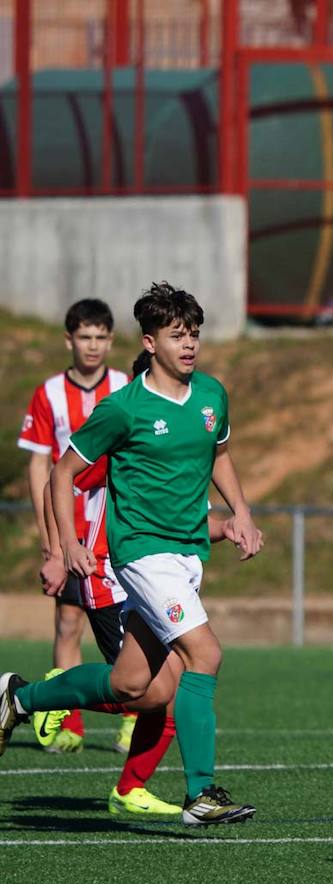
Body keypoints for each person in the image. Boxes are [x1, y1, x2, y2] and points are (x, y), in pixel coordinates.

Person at [0, 282, 263, 827]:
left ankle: (19, 699)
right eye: (176, 335)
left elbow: (220, 454)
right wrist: (68, 543)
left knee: (139, 686)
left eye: (194, 334)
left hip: (187, 557)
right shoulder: (123, 409)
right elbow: (62, 470)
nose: (188, 345)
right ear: (149, 341)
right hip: (143, 556)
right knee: (205, 655)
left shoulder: (212, 395)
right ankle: (201, 794)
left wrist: (240, 511)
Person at [16, 298, 135, 754]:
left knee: (132, 623)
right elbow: (39, 469)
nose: (92, 346)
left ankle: (132, 715)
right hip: (70, 531)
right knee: (68, 624)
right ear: (69, 340)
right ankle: (69, 724)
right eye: (84, 336)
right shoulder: (48, 393)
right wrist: (51, 547)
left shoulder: (127, 386)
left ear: (110, 340)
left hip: (117, 529)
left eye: (100, 337)